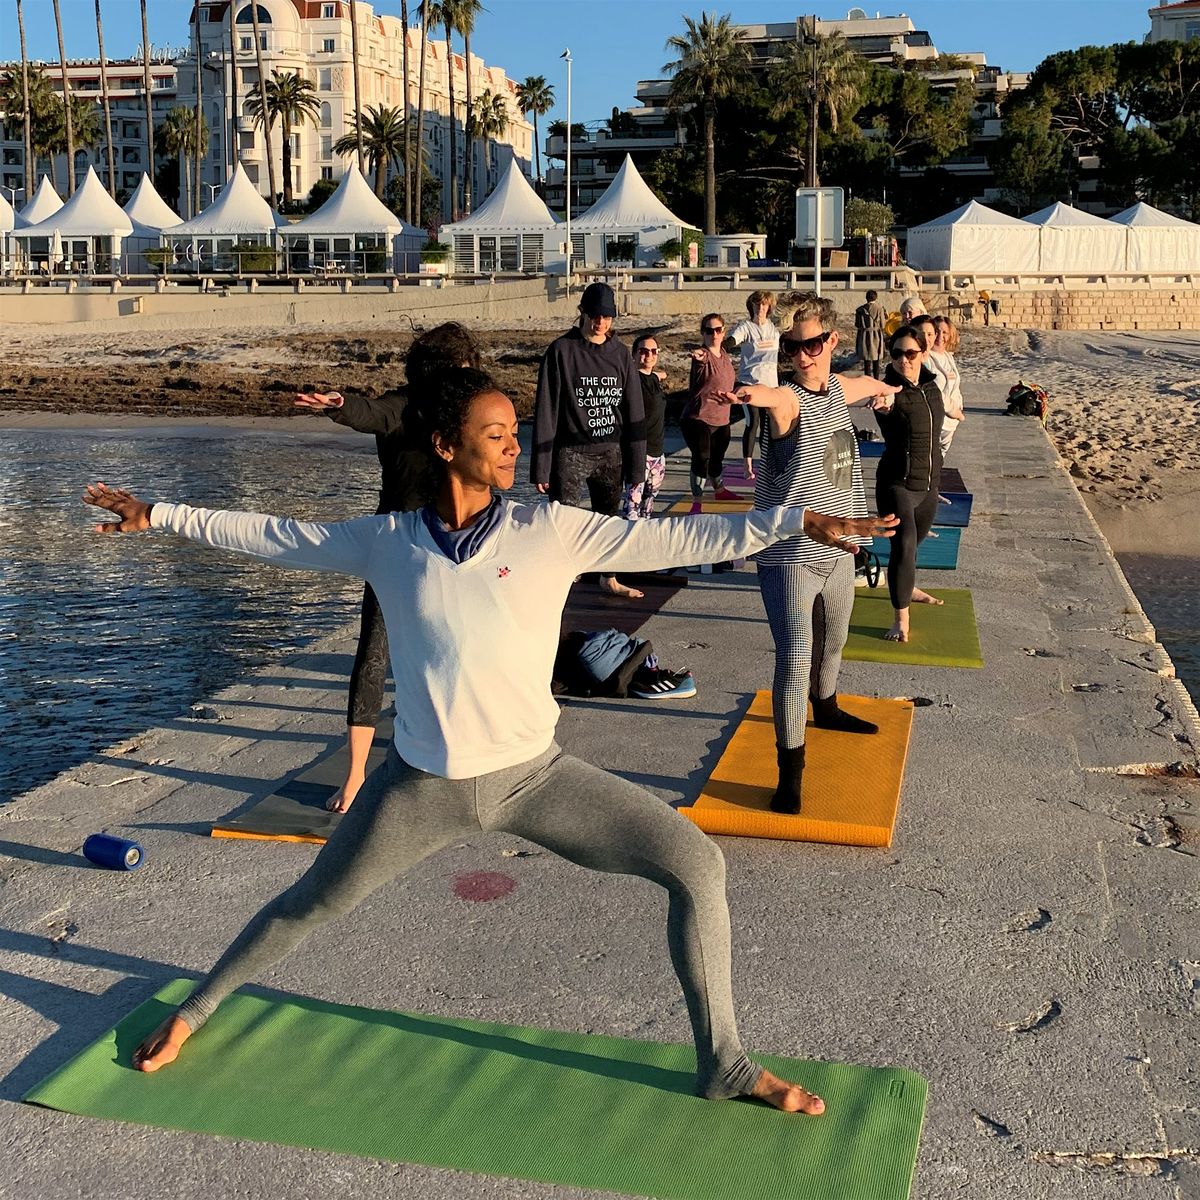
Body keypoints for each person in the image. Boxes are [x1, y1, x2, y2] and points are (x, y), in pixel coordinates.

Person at [84, 367, 897, 1115]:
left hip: (536, 779)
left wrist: (791, 519)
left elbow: (679, 540)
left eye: (516, 431)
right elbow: (277, 534)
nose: (515, 445)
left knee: (698, 864)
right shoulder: (390, 541)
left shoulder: (551, 529)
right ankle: (194, 1012)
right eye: (497, 432)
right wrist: (159, 513)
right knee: (309, 904)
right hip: (419, 790)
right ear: (446, 444)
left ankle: (723, 1063)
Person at [292, 322, 484, 812]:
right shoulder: (405, 405)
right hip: (397, 544)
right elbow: (371, 413)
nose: (465, 380)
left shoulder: (464, 410)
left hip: (458, 542)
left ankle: (462, 752)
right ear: (434, 370)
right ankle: (355, 775)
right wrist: (340, 407)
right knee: (374, 651)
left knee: (461, 648)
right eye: (457, 372)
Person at [724, 293, 901, 815]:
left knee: (836, 639)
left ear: (833, 340)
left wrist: (888, 391)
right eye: (793, 347)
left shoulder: (841, 390)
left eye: (813, 343)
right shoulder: (789, 399)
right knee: (795, 658)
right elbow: (768, 397)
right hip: (791, 553)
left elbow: (866, 385)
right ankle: (790, 771)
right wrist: (745, 394)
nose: (803, 355)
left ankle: (826, 709)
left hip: (842, 546)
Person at [532, 281, 646, 599]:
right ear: (583, 313)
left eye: (607, 317)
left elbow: (634, 409)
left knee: (608, 521)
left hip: (611, 450)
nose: (601, 322)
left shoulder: (621, 355)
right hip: (571, 451)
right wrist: (541, 468)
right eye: (595, 315)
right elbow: (546, 408)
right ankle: (559, 578)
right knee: (563, 520)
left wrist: (638, 469)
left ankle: (607, 577)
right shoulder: (561, 351)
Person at [875, 325, 946, 643]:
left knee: (912, 549)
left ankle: (908, 586)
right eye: (897, 354)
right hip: (897, 484)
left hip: (929, 485)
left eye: (910, 353)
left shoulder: (932, 388)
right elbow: (884, 408)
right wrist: (883, 406)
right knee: (902, 546)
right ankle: (900, 620)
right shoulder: (887, 389)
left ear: (924, 353)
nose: (903, 360)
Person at [681, 312, 738, 504]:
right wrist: (697, 355)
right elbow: (700, 357)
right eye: (708, 330)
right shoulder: (704, 355)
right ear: (703, 333)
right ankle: (697, 501)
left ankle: (719, 490)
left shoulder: (725, 356)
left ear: (723, 332)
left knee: (717, 458)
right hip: (698, 418)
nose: (713, 334)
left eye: (717, 330)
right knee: (702, 456)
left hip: (722, 418)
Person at [724, 291, 780, 481]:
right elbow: (732, 341)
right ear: (752, 307)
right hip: (749, 383)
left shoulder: (774, 328)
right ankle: (747, 464)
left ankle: (766, 463)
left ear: (769, 307)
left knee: (768, 425)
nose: (760, 308)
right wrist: (721, 347)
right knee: (753, 420)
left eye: (764, 305)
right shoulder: (746, 327)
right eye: (757, 304)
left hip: (771, 385)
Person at [620, 332, 668, 521]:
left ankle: (644, 543)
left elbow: (655, 374)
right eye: (643, 351)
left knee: (648, 507)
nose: (649, 355)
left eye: (653, 351)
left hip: (658, 453)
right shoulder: (631, 380)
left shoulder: (654, 379)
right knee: (632, 506)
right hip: (639, 451)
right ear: (634, 354)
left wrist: (659, 374)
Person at [928, 315, 964, 457]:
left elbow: (955, 385)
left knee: (940, 458)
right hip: (936, 420)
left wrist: (959, 404)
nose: (940, 336)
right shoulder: (926, 358)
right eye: (936, 331)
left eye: (944, 332)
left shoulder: (948, 357)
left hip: (951, 422)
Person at [854, 289, 886, 380]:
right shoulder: (880, 309)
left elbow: (857, 324)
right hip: (876, 335)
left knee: (866, 360)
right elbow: (883, 325)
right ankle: (876, 379)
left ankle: (867, 380)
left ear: (866, 298)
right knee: (876, 359)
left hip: (864, 335)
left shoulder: (860, 309)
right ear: (876, 297)